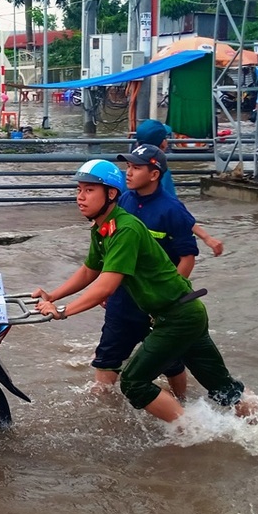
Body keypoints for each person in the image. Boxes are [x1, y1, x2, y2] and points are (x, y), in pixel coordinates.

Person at [31, 159, 253, 423]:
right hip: (184, 313)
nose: (80, 197)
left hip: (177, 317)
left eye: (89, 190)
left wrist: (63, 311)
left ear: (111, 194)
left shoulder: (125, 228)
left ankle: (193, 434)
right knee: (223, 389)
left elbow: (106, 284)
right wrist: (53, 296)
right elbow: (90, 270)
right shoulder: (104, 228)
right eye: (79, 190)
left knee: (134, 382)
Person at [89, 144, 199, 397]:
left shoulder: (172, 209)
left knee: (170, 362)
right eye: (128, 166)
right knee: (107, 357)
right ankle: (103, 418)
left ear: (154, 174)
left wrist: (167, 298)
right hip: (123, 300)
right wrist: (107, 289)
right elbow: (110, 250)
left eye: (136, 168)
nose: (128, 173)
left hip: (156, 304)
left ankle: (181, 402)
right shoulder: (123, 201)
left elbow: (187, 258)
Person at [134, 119, 223, 256]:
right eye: (165, 138)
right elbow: (176, 212)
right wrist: (206, 237)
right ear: (163, 144)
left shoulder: (129, 175)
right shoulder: (159, 174)